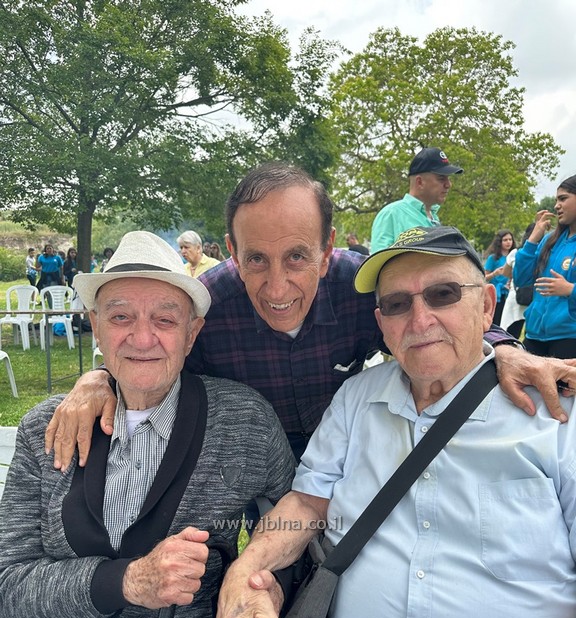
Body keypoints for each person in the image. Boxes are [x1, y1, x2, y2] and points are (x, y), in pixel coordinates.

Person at [212, 226, 576, 618]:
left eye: (443, 294)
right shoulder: (357, 398)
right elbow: (307, 505)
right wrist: (246, 569)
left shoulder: (557, 416)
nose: (420, 319)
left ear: (487, 305)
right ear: (381, 323)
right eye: (398, 304)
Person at [45, 163, 576, 475]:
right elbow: (150, 351)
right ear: (232, 251)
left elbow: (431, 320)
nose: (277, 288)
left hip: (345, 458)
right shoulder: (209, 304)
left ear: (326, 250)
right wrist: (99, 379)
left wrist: (503, 348)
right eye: (256, 259)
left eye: (297, 257)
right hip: (246, 469)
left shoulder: (359, 286)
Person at [0, 231, 294, 618]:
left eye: (165, 319)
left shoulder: (243, 422)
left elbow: (295, 525)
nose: (141, 338)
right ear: (96, 326)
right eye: (120, 317)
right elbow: (8, 583)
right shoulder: (44, 429)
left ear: (192, 334)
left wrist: (265, 588)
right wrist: (130, 581)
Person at [514, 175, 576, 360]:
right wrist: (533, 239)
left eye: (563, 199)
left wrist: (570, 289)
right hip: (534, 335)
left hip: (569, 337)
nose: (556, 205)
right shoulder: (550, 241)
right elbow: (521, 279)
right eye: (556, 199)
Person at [370, 147, 463, 253]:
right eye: (441, 178)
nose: (448, 184)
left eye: (448, 178)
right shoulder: (391, 214)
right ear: (420, 182)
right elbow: (378, 261)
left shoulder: (433, 217)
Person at [500, 224, 535, 339]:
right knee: (531, 334)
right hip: (536, 297)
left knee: (511, 332)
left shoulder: (516, 252)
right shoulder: (545, 252)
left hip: (516, 295)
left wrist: (517, 275)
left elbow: (505, 272)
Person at [483, 229, 515, 326]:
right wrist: (494, 274)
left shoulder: (514, 257)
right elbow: (484, 278)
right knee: (496, 322)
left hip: (509, 294)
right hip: (496, 295)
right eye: (505, 240)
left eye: (510, 239)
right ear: (499, 242)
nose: (508, 242)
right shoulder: (493, 258)